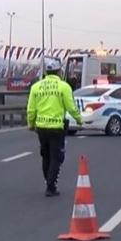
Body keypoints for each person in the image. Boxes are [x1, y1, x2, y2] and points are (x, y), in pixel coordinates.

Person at [26, 57, 82, 196]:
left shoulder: (36, 87)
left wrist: (30, 124)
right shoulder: (64, 87)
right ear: (59, 71)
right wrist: (79, 120)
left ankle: (48, 181)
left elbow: (31, 109)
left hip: (41, 127)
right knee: (57, 157)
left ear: (46, 71)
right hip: (57, 127)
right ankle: (51, 186)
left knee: (46, 156)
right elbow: (71, 107)